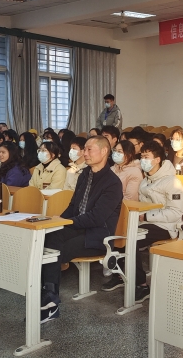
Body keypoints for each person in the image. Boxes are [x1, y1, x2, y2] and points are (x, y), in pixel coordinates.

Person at [40, 136, 122, 323]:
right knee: (49, 237)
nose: (84, 153)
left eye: (89, 149)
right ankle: (48, 295)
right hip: (80, 227)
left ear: (104, 151)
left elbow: (97, 218)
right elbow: (73, 206)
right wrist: (59, 221)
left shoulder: (113, 183)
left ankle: (49, 301)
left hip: (98, 235)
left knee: (57, 249)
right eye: (84, 149)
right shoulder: (85, 174)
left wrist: (67, 223)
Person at [102, 141, 183, 302]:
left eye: (146, 157)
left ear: (157, 159)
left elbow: (176, 213)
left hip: (165, 226)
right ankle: (120, 275)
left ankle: (141, 284)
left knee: (131, 240)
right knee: (119, 233)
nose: (142, 160)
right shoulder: (146, 180)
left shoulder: (172, 182)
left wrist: (147, 216)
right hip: (144, 222)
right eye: (142, 157)